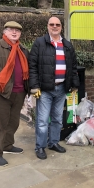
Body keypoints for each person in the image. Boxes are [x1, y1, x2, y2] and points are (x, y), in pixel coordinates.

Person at [29, 16, 79, 160]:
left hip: (62, 88)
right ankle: (40, 147)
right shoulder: (39, 43)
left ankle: (54, 143)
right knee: (43, 120)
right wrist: (34, 86)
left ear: (61, 27)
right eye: (52, 24)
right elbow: (32, 66)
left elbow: (73, 67)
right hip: (44, 89)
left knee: (57, 119)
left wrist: (74, 84)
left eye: (57, 24)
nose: (55, 26)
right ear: (48, 26)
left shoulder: (67, 45)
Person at [0, 21, 29, 167]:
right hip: (2, 93)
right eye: (11, 30)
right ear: (5, 32)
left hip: (19, 92)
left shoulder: (22, 49)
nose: (14, 33)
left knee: (13, 122)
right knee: (0, 125)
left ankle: (7, 145)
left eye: (17, 31)